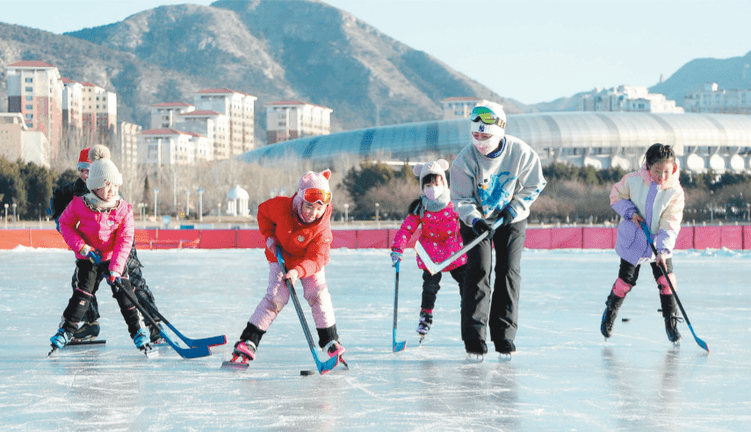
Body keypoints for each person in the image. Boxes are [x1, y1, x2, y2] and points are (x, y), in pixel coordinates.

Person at [449, 102, 546, 359]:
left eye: (486, 136)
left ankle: (504, 334)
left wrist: (514, 208)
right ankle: (474, 337)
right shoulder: (463, 161)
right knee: (479, 270)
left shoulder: (521, 153)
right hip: (477, 221)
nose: (480, 142)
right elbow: (460, 199)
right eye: (476, 135)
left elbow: (535, 184)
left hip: (511, 218)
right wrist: (475, 219)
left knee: (508, 271)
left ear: (501, 131)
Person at [49, 146, 162, 343]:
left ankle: (153, 325)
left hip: (118, 248)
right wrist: (59, 219)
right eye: (82, 170)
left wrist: (122, 260)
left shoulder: (111, 189)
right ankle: (89, 324)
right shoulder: (76, 188)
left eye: (88, 169)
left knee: (132, 284)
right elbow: (58, 196)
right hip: (90, 251)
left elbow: (125, 232)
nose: (85, 174)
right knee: (81, 284)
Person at [232, 169, 346, 364]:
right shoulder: (280, 206)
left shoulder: (323, 230)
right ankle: (248, 341)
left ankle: (330, 341)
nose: (314, 213)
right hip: (281, 256)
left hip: (307, 263)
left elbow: (317, 259)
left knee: (318, 294)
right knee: (276, 296)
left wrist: (297, 271)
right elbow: (262, 213)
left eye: (320, 208)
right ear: (300, 199)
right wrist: (269, 235)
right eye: (309, 206)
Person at [600, 143, 685, 343]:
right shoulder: (633, 180)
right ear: (648, 165)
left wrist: (663, 251)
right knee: (625, 283)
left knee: (667, 281)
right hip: (634, 239)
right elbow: (616, 196)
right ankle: (611, 309)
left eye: (666, 171)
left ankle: (671, 322)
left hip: (658, 242)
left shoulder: (675, 191)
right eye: (657, 171)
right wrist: (631, 213)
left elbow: (670, 223)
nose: (662, 176)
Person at [390, 159, 466, 340]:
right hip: (431, 255)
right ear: (422, 187)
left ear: (444, 182)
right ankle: (425, 316)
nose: (433, 188)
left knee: (467, 282)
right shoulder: (420, 208)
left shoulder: (454, 203)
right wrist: (397, 249)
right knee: (430, 287)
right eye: (428, 184)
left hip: (454, 252)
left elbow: (467, 222)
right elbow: (406, 229)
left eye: (436, 182)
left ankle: (469, 310)